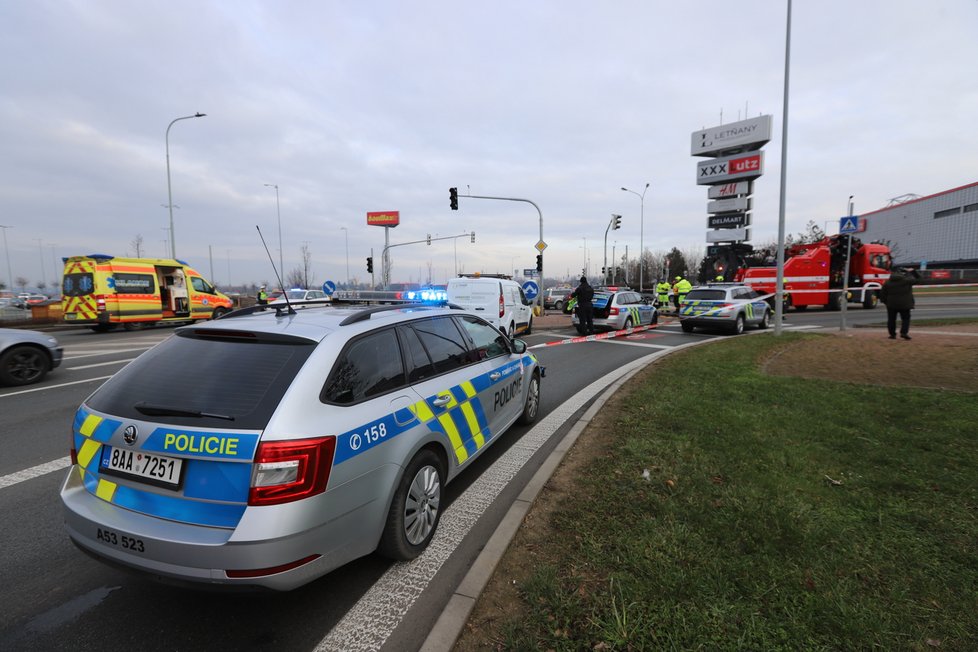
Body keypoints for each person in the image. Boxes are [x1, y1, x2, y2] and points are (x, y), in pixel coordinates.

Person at [879, 267, 920, 340]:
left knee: (891, 319)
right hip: (905, 304)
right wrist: (913, 272)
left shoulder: (887, 282)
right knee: (905, 319)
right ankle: (904, 333)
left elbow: (882, 294)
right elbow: (919, 279)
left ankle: (892, 334)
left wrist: (886, 302)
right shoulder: (907, 281)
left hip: (891, 304)